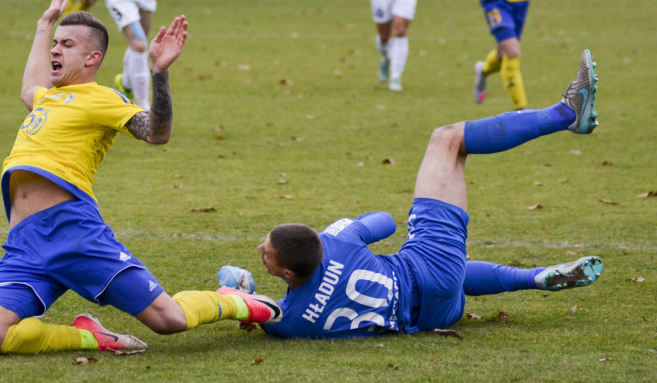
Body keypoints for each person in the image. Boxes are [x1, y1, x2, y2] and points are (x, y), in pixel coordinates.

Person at [0, 0, 281, 355]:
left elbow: (156, 133)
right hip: (26, 244)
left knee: (170, 320)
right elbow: (28, 88)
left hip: (74, 233)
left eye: (66, 45)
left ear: (92, 57)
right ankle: (92, 337)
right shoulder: (46, 98)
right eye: (55, 44)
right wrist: (45, 22)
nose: (55, 49)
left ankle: (232, 300)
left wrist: (158, 74)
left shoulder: (101, 98)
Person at [221, 49, 600, 339]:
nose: (260, 252)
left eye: (264, 252)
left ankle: (534, 277)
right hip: (426, 269)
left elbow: (263, 311)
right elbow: (384, 222)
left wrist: (243, 291)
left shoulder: (291, 323)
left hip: (432, 316)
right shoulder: (335, 242)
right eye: (267, 252)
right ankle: (567, 113)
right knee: (447, 139)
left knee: (455, 275)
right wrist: (339, 234)